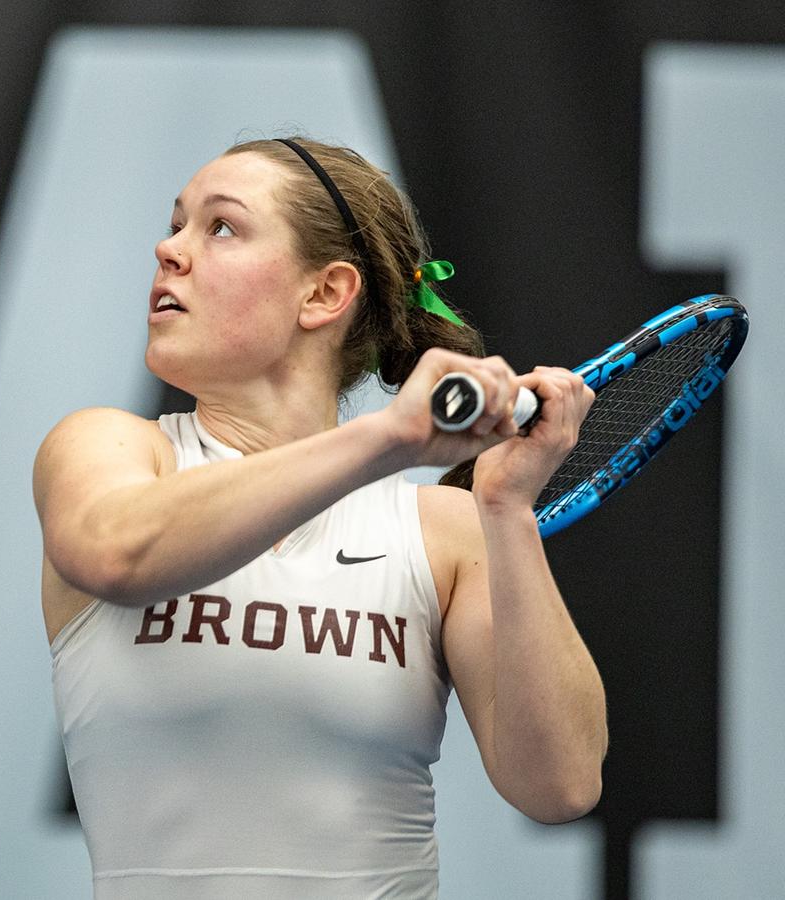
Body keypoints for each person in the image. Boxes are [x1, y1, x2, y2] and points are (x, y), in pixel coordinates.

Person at [34, 137, 608, 899]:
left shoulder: (444, 530)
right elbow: (114, 553)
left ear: (325, 294)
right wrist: (389, 439)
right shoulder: (107, 449)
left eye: (221, 227)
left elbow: (561, 785)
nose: (168, 250)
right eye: (176, 225)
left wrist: (507, 512)